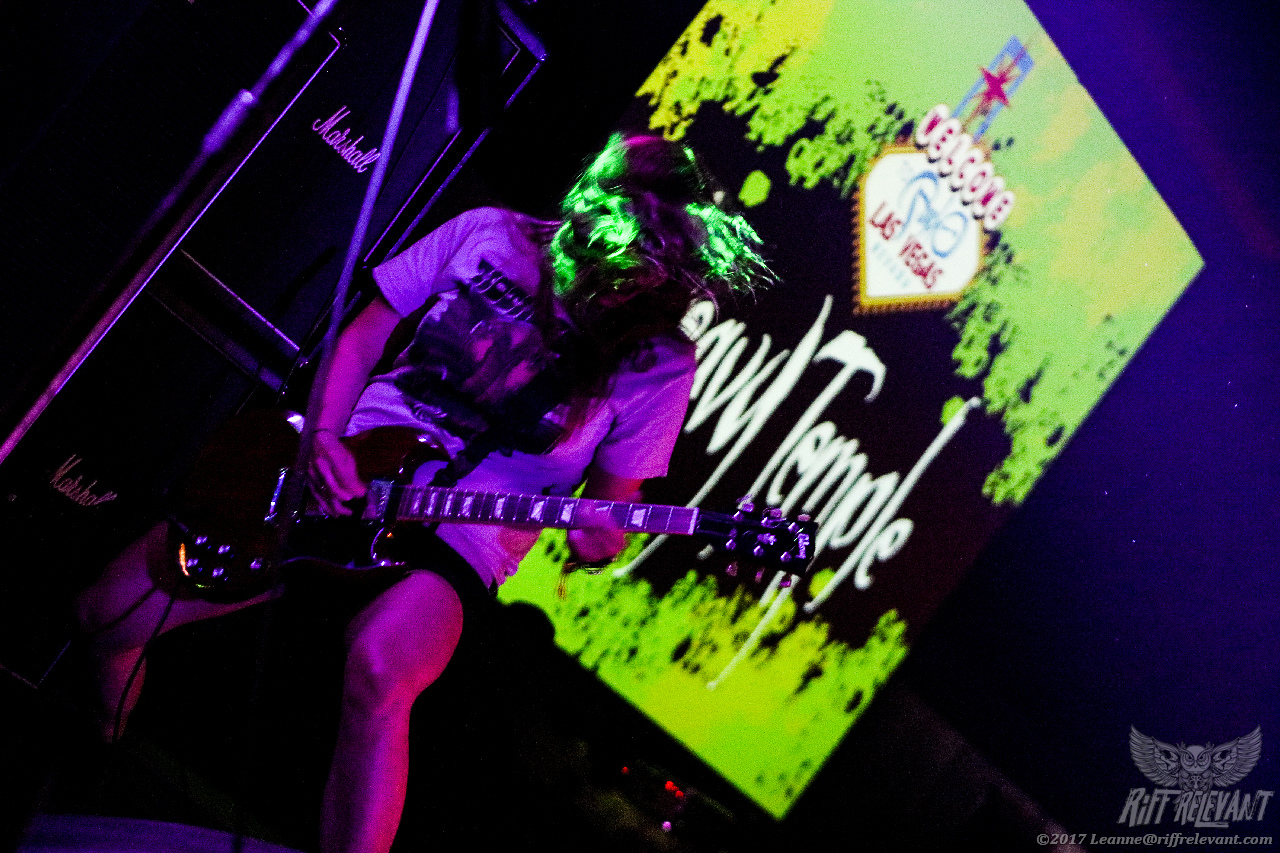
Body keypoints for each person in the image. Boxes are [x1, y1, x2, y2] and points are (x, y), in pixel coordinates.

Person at [76, 133, 771, 853]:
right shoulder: (490, 233)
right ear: (588, 212)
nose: (621, 286)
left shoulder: (658, 360)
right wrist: (324, 438)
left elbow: (608, 511)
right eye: (614, 260)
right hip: (345, 467)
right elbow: (362, 338)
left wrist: (598, 539)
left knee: (380, 668)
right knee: (105, 613)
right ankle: (97, 759)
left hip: (468, 535)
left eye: (644, 276)